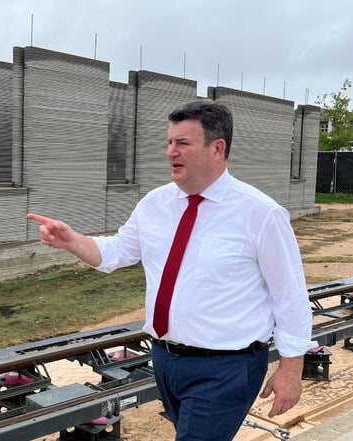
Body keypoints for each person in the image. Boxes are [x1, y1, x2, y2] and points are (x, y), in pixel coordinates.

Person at [27, 100, 314, 441]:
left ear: (217, 148)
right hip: (164, 360)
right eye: (169, 142)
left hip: (225, 369)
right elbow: (118, 251)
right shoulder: (155, 204)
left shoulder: (261, 214)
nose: (170, 152)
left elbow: (290, 297)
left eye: (183, 143)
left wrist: (291, 370)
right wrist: (72, 240)